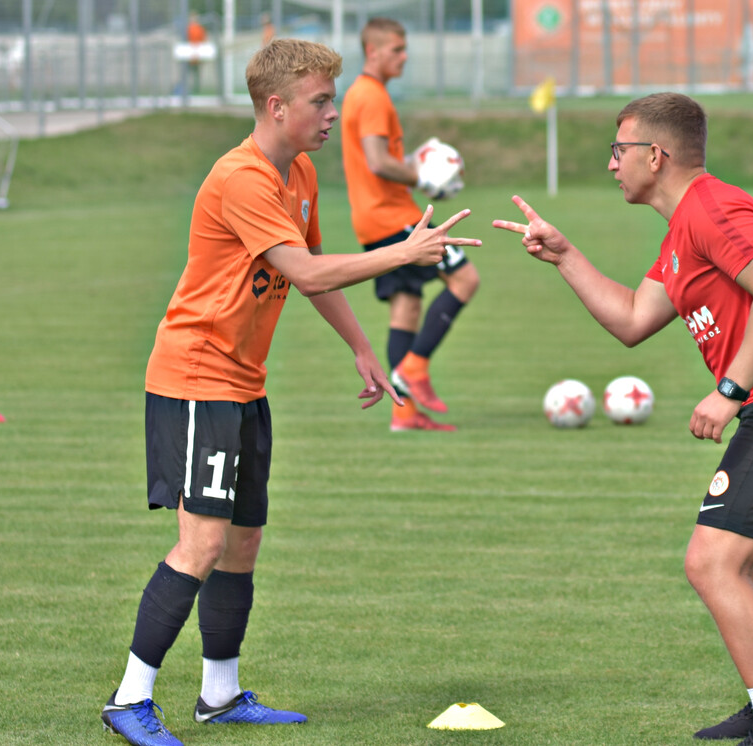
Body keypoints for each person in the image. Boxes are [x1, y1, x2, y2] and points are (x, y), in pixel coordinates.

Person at [100, 38, 480, 746]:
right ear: (276, 107)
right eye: (320, 101)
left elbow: (310, 268)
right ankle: (129, 699)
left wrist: (362, 347)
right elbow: (305, 272)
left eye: (332, 99)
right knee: (203, 542)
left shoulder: (297, 170)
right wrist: (403, 252)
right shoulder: (241, 177)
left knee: (243, 542)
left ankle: (218, 695)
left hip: (244, 383)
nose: (332, 113)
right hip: (195, 379)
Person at [493, 92, 753, 746]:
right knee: (730, 563)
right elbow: (633, 319)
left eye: (618, 150)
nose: (611, 165)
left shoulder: (714, 210)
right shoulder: (683, 229)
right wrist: (565, 255)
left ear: (654, 156)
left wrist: (729, 389)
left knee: (712, 562)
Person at [340, 17, 480, 432]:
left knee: (406, 306)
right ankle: (413, 370)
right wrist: (423, 177)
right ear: (373, 52)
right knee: (465, 279)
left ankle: (403, 413)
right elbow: (379, 162)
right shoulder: (371, 96)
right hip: (393, 216)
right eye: (397, 49)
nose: (404, 56)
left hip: (372, 218)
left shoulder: (363, 94)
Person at [186, 12, 207, 94]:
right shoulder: (188, 28)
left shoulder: (200, 29)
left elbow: (203, 41)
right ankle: (188, 89)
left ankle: (196, 89)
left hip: (197, 56)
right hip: (189, 56)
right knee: (188, 74)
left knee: (196, 74)